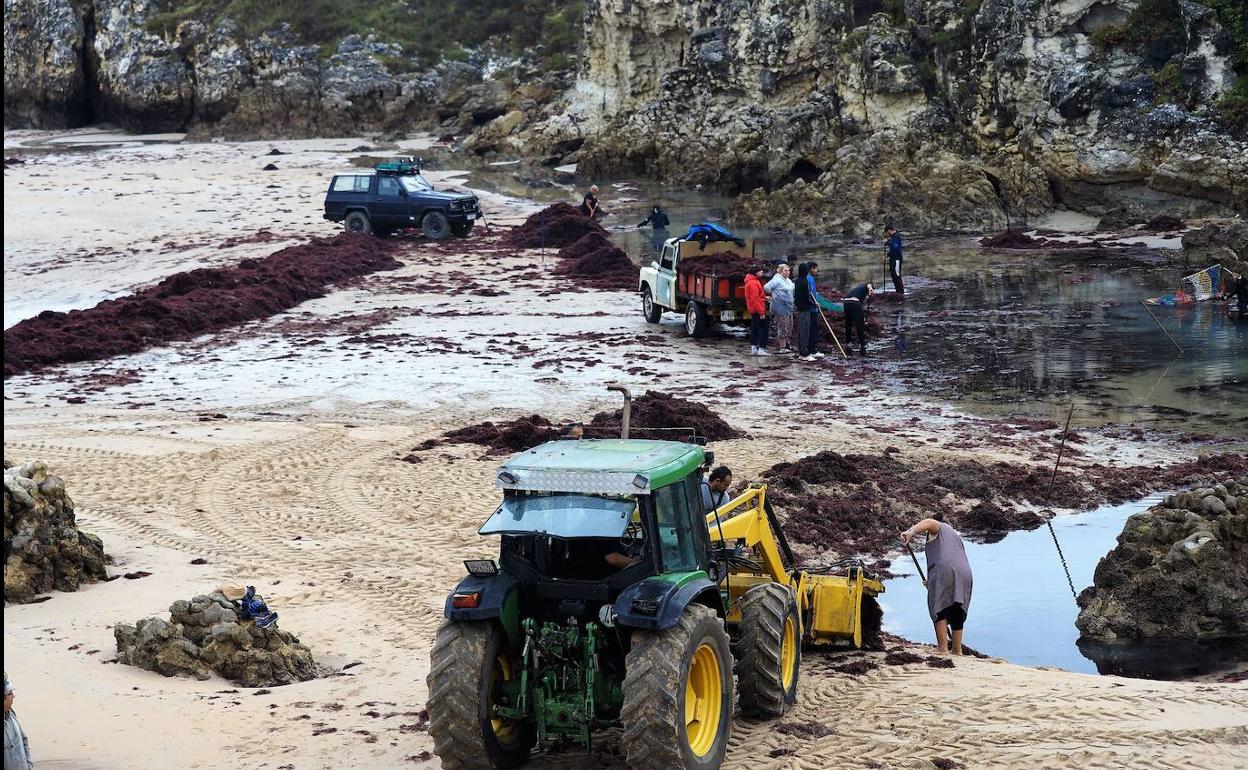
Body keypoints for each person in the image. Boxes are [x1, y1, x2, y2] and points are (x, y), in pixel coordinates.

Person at [901, 513, 973, 655]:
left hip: (944, 571)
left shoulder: (938, 527)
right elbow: (948, 557)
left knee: (938, 606)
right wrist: (931, 581)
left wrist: (911, 532)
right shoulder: (954, 535)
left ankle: (942, 648)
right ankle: (957, 650)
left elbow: (928, 522)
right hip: (965, 573)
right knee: (957, 607)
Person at [4, 673, 33, 770]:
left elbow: (24, 740)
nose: (13, 696)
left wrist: (29, 765)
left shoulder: (11, 715)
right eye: (10, 693)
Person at [765, 262, 796, 353]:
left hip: (789, 307)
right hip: (780, 307)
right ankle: (782, 347)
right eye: (785, 270)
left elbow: (793, 288)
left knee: (789, 326)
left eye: (788, 270)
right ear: (780, 272)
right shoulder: (777, 279)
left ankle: (787, 344)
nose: (787, 272)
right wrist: (774, 295)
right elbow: (766, 287)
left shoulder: (788, 280)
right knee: (782, 326)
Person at [744, 265, 770, 357]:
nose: (762, 272)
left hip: (754, 309)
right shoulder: (753, 283)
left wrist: (764, 297)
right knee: (762, 329)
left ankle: (754, 348)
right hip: (757, 310)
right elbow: (754, 299)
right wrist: (761, 312)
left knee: (754, 328)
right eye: (760, 271)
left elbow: (756, 297)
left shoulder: (752, 281)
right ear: (756, 272)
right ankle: (761, 349)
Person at [843, 282, 874, 355]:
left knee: (848, 324)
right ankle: (863, 345)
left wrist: (863, 319)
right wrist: (870, 288)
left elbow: (860, 311)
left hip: (846, 303)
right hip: (854, 303)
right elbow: (869, 285)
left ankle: (848, 343)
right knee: (859, 326)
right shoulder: (866, 287)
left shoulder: (858, 290)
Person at [885, 225, 905, 296]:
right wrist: (889, 254)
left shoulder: (896, 236)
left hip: (897, 259)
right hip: (893, 258)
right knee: (893, 275)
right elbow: (893, 248)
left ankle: (901, 292)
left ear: (889, 230)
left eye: (887, 233)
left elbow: (896, 246)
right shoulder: (893, 237)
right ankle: (898, 291)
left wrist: (888, 242)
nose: (888, 234)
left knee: (897, 275)